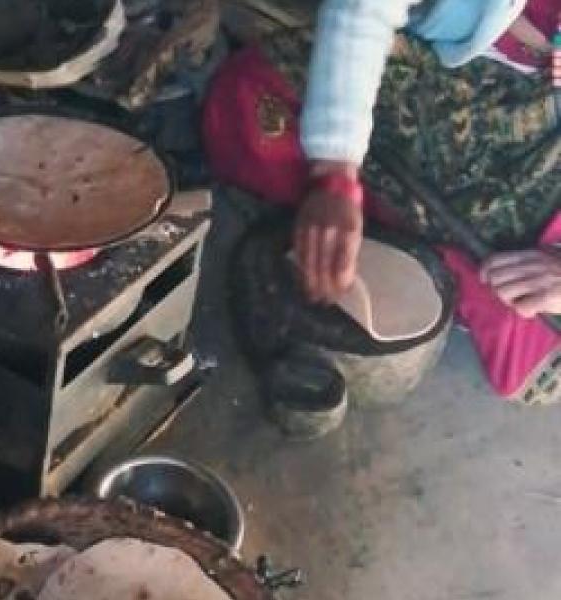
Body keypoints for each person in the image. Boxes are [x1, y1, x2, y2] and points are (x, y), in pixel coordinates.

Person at [203, 0, 560, 402]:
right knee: (251, 93)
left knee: (520, 303)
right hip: (491, 64)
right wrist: (334, 171)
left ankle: (430, 248)